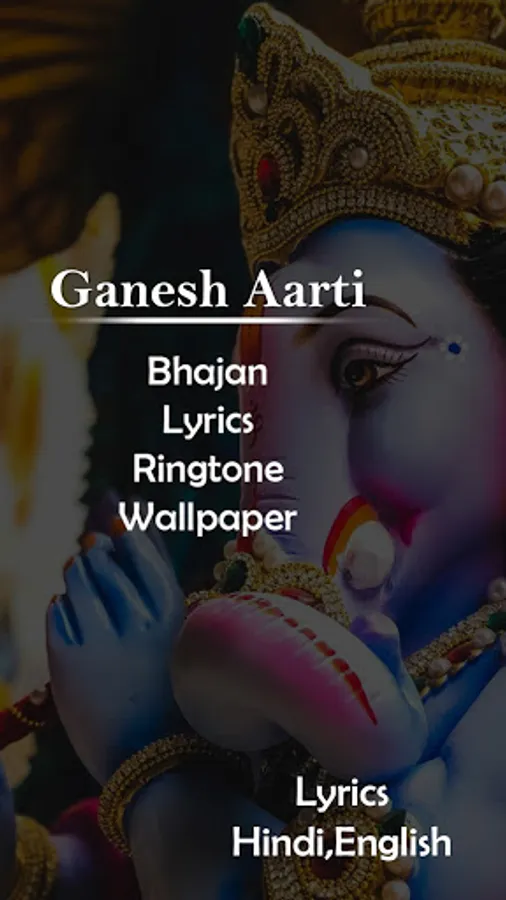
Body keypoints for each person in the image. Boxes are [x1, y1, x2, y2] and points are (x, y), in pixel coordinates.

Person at [4, 2, 506, 899]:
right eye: (258, 412)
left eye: (363, 373)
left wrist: (147, 760)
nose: (274, 503)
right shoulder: (366, 659)